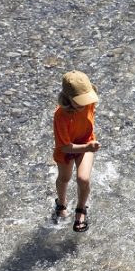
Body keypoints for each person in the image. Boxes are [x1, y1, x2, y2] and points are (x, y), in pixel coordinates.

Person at [52, 70, 100, 232]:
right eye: (80, 101)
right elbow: (64, 146)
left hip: (86, 142)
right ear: (67, 98)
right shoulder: (60, 116)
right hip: (67, 148)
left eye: (87, 99)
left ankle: (81, 210)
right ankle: (61, 202)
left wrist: (87, 146)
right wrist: (87, 148)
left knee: (83, 178)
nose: (84, 105)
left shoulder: (89, 103)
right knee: (64, 178)